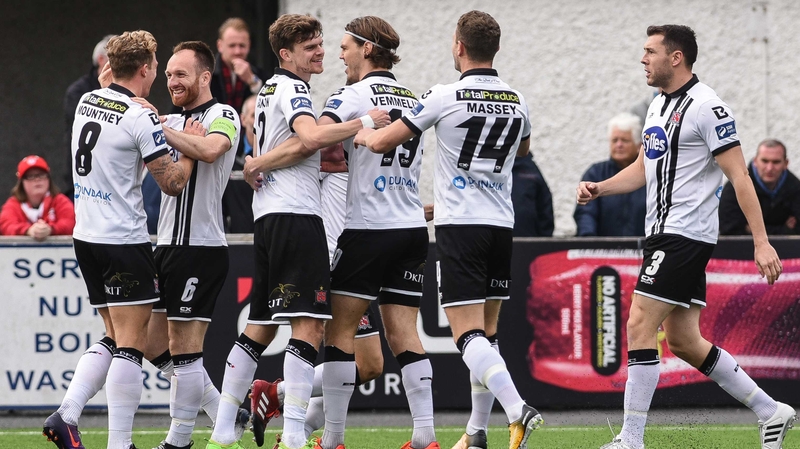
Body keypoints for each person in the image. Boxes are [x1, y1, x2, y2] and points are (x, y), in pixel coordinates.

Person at [576, 25, 794, 449]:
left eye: (650, 52)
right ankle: (772, 411)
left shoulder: (708, 107)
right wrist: (599, 188)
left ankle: (631, 439)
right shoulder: (657, 106)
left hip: (684, 235)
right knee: (684, 341)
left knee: (639, 322)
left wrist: (761, 240)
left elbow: (739, 175)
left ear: (676, 58)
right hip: (663, 235)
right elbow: (643, 168)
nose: (643, 59)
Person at [357, 11, 543, 449]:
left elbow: (387, 141)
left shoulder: (445, 95)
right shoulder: (517, 100)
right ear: (494, 49)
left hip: (461, 226)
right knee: (488, 336)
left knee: (467, 336)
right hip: (501, 224)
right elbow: (524, 149)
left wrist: (361, 133)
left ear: (459, 46)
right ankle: (476, 433)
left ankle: (518, 409)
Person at [207, 14, 389, 449]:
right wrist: (363, 125)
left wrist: (258, 162)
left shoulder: (270, 88)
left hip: (270, 216)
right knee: (308, 328)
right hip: (297, 218)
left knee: (260, 326)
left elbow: (289, 144)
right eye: (311, 47)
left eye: (322, 43)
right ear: (286, 54)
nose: (321, 51)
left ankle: (221, 433)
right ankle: (293, 435)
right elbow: (309, 139)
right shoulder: (294, 88)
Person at [42, 30, 196, 449]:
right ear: (145, 69)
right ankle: (119, 444)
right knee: (132, 343)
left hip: (86, 236)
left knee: (113, 334)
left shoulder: (88, 100)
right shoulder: (140, 116)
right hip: (123, 240)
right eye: (156, 66)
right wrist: (191, 147)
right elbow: (172, 184)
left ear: (111, 66)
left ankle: (67, 414)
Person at [299, 16, 437, 449]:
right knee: (405, 335)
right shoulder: (412, 98)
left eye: (345, 47)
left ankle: (333, 438)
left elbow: (316, 135)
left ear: (367, 49)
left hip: (367, 229)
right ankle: (425, 437)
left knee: (339, 334)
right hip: (412, 229)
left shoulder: (353, 95)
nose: (339, 54)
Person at [138, 40, 242, 449]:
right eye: (168, 74)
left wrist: (163, 130)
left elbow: (213, 149)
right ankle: (223, 413)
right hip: (165, 246)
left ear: (204, 76)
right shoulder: (173, 119)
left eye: (181, 74)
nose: (172, 81)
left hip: (199, 247)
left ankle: (179, 439)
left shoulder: (223, 114)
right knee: (147, 342)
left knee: (184, 348)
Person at [213, 17, 266, 234]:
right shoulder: (206, 73)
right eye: (232, 45)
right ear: (219, 46)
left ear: (249, 46)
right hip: (214, 146)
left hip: (247, 149)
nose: (237, 51)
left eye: (242, 46)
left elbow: (270, 106)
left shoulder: (259, 73)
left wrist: (252, 81)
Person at [574, 112, 646, 236]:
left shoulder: (649, 174)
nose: (619, 145)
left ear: (639, 146)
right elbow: (586, 213)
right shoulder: (595, 174)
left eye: (624, 140)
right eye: (614, 140)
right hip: (603, 250)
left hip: (643, 248)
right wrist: (589, 241)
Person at [62, 35, 116, 199]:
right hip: (84, 178)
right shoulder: (79, 92)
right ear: (101, 59)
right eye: (116, 57)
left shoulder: (128, 92)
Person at [719, 138, 800, 235]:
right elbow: (728, 229)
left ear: (786, 163)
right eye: (765, 161)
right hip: (743, 249)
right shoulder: (734, 187)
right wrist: (785, 229)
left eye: (776, 162)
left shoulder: (796, 188)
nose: (770, 168)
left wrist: (752, 229)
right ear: (755, 161)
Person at [0, 155, 75, 239]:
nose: (37, 180)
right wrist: (28, 230)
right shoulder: (13, 204)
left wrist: (50, 229)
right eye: (30, 176)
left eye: (41, 175)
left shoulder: (60, 201)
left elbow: (70, 223)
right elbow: (6, 226)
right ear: (22, 182)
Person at [510, 152, 553, 237]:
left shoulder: (531, 171)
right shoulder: (484, 167)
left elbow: (545, 209)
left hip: (528, 243)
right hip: (490, 242)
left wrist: (543, 243)